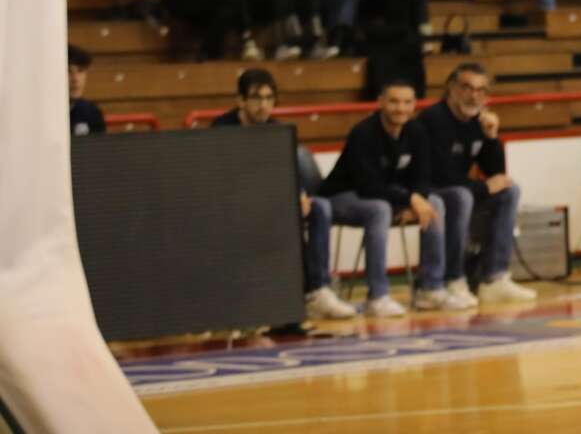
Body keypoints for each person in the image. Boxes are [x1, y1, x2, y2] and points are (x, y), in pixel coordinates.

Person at [210, 69, 357, 320]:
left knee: (319, 207)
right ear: (240, 100)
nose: (263, 105)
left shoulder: (278, 130)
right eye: (256, 98)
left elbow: (287, 169)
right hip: (233, 207)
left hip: (272, 203)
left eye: (269, 98)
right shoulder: (222, 130)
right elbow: (220, 180)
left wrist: (299, 193)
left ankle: (317, 290)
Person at [318, 79, 471, 315]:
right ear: (380, 102)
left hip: (386, 197)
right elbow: (367, 185)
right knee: (379, 209)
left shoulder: (416, 131)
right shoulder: (363, 133)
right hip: (341, 196)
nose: (401, 109)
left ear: (414, 104)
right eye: (394, 102)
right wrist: (409, 199)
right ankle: (377, 296)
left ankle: (431, 289)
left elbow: (423, 177)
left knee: (434, 202)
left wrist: (416, 198)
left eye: (407, 102)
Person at [416, 63, 537, 305]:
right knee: (461, 196)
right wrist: (483, 188)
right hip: (430, 191)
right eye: (467, 88)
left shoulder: (478, 121)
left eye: (481, 91)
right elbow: (442, 176)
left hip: (461, 189)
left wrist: (491, 137)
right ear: (451, 88)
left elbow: (497, 175)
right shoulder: (433, 119)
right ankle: (454, 278)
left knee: (509, 191)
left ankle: (494, 278)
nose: (474, 96)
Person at [68, 45, 105, 137]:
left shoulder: (92, 112)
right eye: (68, 71)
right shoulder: (45, 114)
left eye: (80, 71)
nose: (75, 79)